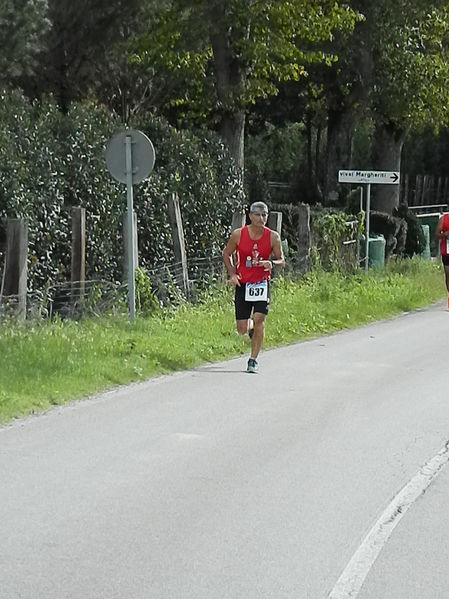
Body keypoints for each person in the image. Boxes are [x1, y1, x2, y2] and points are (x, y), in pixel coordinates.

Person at [222, 201, 285, 373]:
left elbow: (281, 260)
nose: (261, 218)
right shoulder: (238, 234)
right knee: (242, 329)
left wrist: (271, 263)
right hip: (243, 283)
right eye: (257, 214)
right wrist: (232, 274)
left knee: (259, 320)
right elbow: (226, 253)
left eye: (264, 215)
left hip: (261, 284)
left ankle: (252, 360)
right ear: (250, 216)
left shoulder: (273, 237)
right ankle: (251, 329)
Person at [435, 212, 449, 308]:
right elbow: (436, 235)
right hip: (446, 251)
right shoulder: (443, 219)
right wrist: (445, 234)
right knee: (448, 275)